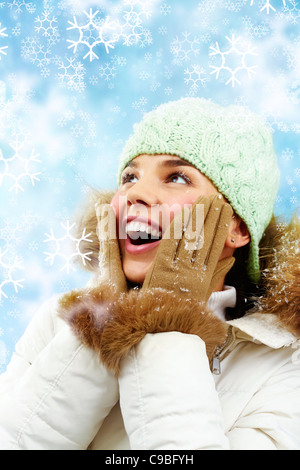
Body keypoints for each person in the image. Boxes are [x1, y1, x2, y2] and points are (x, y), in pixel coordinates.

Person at [0, 98, 299, 450]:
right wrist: (102, 322)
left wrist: (169, 315)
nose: (134, 193)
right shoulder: (58, 321)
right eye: (130, 176)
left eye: (177, 177)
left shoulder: (284, 363)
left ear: (236, 228)